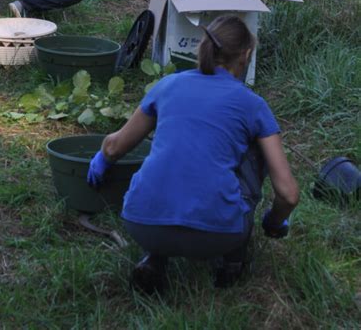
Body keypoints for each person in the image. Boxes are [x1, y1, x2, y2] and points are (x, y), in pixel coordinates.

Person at [87, 15, 299, 292]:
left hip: (141, 222)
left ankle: (154, 257)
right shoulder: (252, 104)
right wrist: (273, 222)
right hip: (218, 235)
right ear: (245, 56)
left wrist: (101, 161)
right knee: (255, 150)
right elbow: (288, 193)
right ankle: (231, 263)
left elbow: (115, 146)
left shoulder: (168, 85)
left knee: (178, 147)